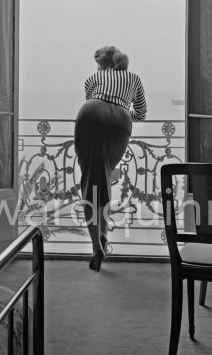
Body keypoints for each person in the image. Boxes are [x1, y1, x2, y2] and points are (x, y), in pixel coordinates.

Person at [74, 46, 147, 271]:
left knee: (90, 179)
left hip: (91, 114)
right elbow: (142, 114)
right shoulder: (134, 78)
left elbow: (94, 101)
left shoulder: (93, 79)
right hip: (120, 121)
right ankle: (104, 234)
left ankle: (97, 244)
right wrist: (124, 111)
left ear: (102, 65)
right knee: (104, 177)